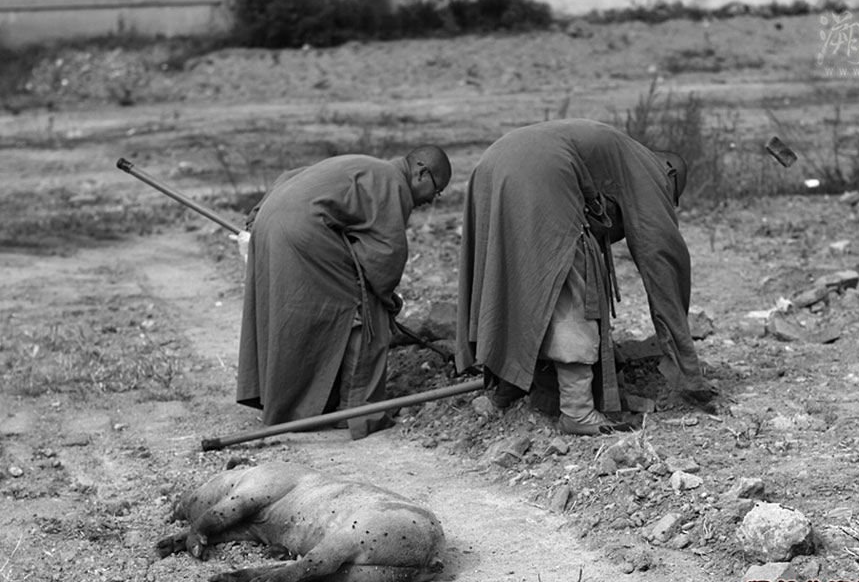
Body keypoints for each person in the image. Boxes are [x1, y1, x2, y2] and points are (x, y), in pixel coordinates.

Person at [455, 119, 716, 436]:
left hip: (493, 163)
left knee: (519, 280)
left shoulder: (613, 151)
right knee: (576, 280)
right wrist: (688, 366)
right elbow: (662, 261)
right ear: (670, 174)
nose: (666, 202)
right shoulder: (653, 170)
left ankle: (508, 388)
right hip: (544, 171)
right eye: (670, 197)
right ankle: (577, 411)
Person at [237, 146, 452, 440]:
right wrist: (388, 302)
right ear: (421, 172)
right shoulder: (395, 184)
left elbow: (290, 176)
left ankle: (298, 402)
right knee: (363, 308)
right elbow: (386, 257)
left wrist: (256, 218)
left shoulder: (364, 164)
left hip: (270, 225)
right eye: (436, 191)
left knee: (299, 313)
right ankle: (359, 411)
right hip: (301, 233)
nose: (431, 201)